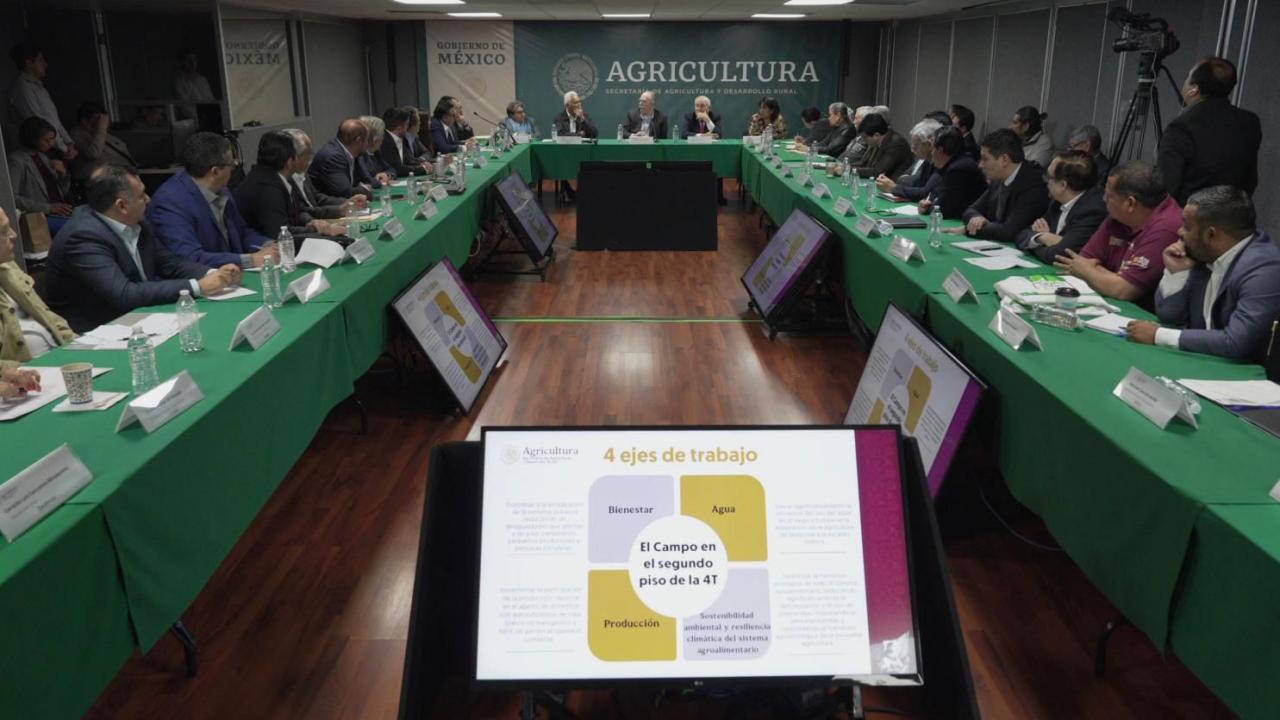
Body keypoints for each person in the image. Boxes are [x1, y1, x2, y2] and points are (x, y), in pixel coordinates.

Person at [46, 164, 238, 333]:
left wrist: (213, 273)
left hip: (141, 318)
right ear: (121, 206)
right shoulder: (83, 237)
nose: (148, 200)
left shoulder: (137, 221)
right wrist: (197, 286)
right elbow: (124, 294)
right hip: (95, 332)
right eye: (141, 196)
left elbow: (169, 264)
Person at [1126, 186, 1280, 360]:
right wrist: (1177, 273)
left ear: (1210, 235)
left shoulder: (1264, 270)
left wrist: (1159, 335)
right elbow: (1169, 317)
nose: (1179, 232)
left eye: (1186, 226)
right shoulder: (1205, 254)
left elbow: (1236, 342)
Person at [1054, 160, 1182, 303]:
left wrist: (1088, 272)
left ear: (1130, 203)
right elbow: (1083, 260)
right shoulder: (1120, 215)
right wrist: (1112, 279)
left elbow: (1123, 291)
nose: (1103, 199)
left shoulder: (1167, 227)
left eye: (1109, 196)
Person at [147, 132, 276, 268]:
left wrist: (269, 245)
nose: (233, 169)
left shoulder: (221, 188)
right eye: (231, 164)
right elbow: (190, 258)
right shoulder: (170, 203)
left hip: (233, 273)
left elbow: (242, 233)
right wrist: (250, 260)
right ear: (215, 172)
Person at [1157, 56, 1261, 205]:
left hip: (1191, 214)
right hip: (1234, 213)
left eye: (1187, 77)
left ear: (1194, 89)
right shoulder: (1250, 122)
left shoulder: (1181, 127)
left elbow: (1167, 187)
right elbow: (1250, 180)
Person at [234, 131, 347, 240]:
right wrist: (318, 230)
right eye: (297, 155)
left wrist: (311, 221)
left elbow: (297, 210)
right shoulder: (267, 188)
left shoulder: (277, 176)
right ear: (289, 162)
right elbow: (279, 233)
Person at [0, 206, 74, 369]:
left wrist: (76, 343)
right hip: (27, 374)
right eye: (4, 231)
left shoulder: (8, 266)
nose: (14, 235)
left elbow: (48, 316)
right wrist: (10, 372)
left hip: (61, 356)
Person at [1014, 150, 1107, 263]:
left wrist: (1036, 245)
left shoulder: (1093, 211)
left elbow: (1059, 255)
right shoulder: (1057, 202)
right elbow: (1021, 234)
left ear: (1063, 185)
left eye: (1048, 177)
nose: (1046, 182)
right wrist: (1043, 237)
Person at [957, 129, 1049, 242]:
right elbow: (970, 210)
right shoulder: (999, 178)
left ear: (1004, 160)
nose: (980, 165)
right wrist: (976, 218)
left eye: (985, 159)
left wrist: (970, 229)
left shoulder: (1034, 185)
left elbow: (1008, 232)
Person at [7, 43, 75, 158]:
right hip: (41, 151)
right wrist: (63, 148)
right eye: (40, 59)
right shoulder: (22, 88)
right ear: (29, 63)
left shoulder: (39, 87)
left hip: (55, 147)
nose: (45, 64)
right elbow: (39, 127)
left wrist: (69, 143)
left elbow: (55, 121)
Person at [282, 128, 367, 220]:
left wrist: (349, 202)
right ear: (296, 157)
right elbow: (303, 211)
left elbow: (317, 198)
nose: (311, 157)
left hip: (319, 219)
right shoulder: (284, 179)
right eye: (308, 153)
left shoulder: (301, 172)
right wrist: (339, 210)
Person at [7, 116, 74, 230]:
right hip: (39, 218)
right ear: (33, 139)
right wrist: (48, 208)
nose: (51, 144)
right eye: (46, 140)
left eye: (52, 139)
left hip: (60, 212)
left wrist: (63, 174)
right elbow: (12, 198)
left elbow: (63, 191)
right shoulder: (17, 161)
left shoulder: (43, 157)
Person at [919, 127, 986, 219]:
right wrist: (930, 202)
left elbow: (945, 209)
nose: (931, 153)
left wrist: (928, 207)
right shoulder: (954, 164)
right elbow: (936, 193)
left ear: (940, 150)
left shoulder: (959, 168)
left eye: (933, 148)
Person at [877, 118, 943, 200]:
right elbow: (918, 185)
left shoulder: (941, 163)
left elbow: (925, 193)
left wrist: (893, 188)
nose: (912, 149)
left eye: (916, 145)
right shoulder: (927, 161)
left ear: (930, 144)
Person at [70, 101, 135, 183]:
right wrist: (101, 128)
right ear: (84, 121)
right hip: (100, 181)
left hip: (123, 174)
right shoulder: (76, 136)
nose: (100, 123)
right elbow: (93, 153)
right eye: (97, 119)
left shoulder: (99, 134)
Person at [309, 119, 374, 199]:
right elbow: (345, 193)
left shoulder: (352, 153)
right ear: (358, 141)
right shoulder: (333, 157)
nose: (367, 144)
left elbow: (366, 179)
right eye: (366, 140)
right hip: (327, 204)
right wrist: (364, 189)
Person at [852, 114, 913, 180]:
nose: (864, 140)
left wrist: (850, 170)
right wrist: (847, 167)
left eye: (865, 137)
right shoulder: (879, 141)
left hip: (895, 183)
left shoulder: (895, 144)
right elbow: (865, 163)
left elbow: (877, 172)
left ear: (876, 135)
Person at [379, 107, 430, 178]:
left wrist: (422, 163)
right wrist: (422, 169)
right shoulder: (385, 141)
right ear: (399, 128)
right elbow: (397, 168)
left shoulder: (401, 138)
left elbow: (409, 160)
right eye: (407, 124)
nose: (407, 127)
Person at [356, 115, 396, 188]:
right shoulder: (359, 155)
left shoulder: (376, 152)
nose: (383, 139)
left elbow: (391, 169)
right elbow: (367, 179)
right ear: (376, 140)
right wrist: (379, 180)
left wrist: (386, 175)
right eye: (382, 136)